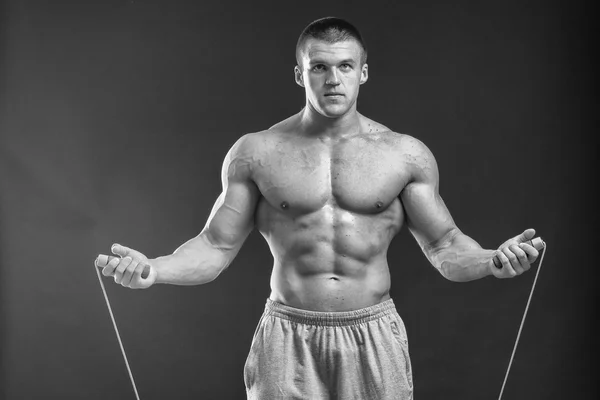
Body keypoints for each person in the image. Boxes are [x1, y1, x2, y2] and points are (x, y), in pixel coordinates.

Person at [95, 17, 540, 400]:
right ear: (299, 74)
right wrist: (154, 269)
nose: (333, 79)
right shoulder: (256, 152)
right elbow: (215, 246)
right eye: (319, 67)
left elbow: (444, 245)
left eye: (346, 66)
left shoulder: (404, 155)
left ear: (363, 72)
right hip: (287, 334)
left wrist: (491, 261)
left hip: (373, 333)